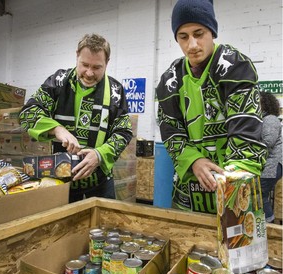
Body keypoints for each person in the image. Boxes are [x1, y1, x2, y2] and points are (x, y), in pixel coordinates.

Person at [155, 0, 267, 214]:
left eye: (199, 33)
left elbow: (246, 135)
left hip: (234, 187)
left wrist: (230, 186)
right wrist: (194, 160)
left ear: (212, 32)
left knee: (233, 243)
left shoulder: (236, 67)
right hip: (188, 193)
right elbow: (171, 133)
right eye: (183, 36)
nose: (192, 45)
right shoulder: (170, 80)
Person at [19, 33, 133, 203]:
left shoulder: (116, 90)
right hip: (61, 179)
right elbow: (28, 113)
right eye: (84, 65)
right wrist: (57, 129)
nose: (89, 73)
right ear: (76, 56)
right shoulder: (58, 81)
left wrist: (100, 155)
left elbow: (123, 131)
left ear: (107, 63)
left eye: (97, 67)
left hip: (100, 180)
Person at [259, 91, 282, 223]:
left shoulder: (270, 119)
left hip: (272, 165)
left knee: (260, 195)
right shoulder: (265, 119)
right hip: (270, 165)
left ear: (265, 104)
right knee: (262, 195)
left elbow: (268, 142)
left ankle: (269, 224)